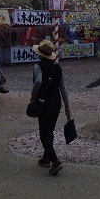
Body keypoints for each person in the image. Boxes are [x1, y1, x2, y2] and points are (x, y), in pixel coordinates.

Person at [31, 39, 71, 175]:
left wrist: (33, 95)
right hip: (57, 102)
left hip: (44, 102)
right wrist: (67, 106)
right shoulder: (57, 67)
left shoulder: (38, 66)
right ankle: (46, 157)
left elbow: (38, 81)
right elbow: (63, 87)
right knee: (50, 130)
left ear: (40, 54)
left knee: (44, 133)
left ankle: (55, 160)